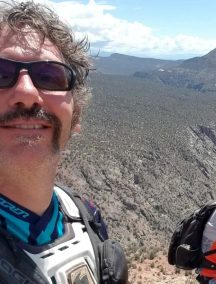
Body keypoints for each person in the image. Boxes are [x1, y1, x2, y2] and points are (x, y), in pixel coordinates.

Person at [0, 1, 127, 283]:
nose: (26, 91)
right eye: (0, 73)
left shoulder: (84, 215)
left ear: (76, 117)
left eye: (49, 77)